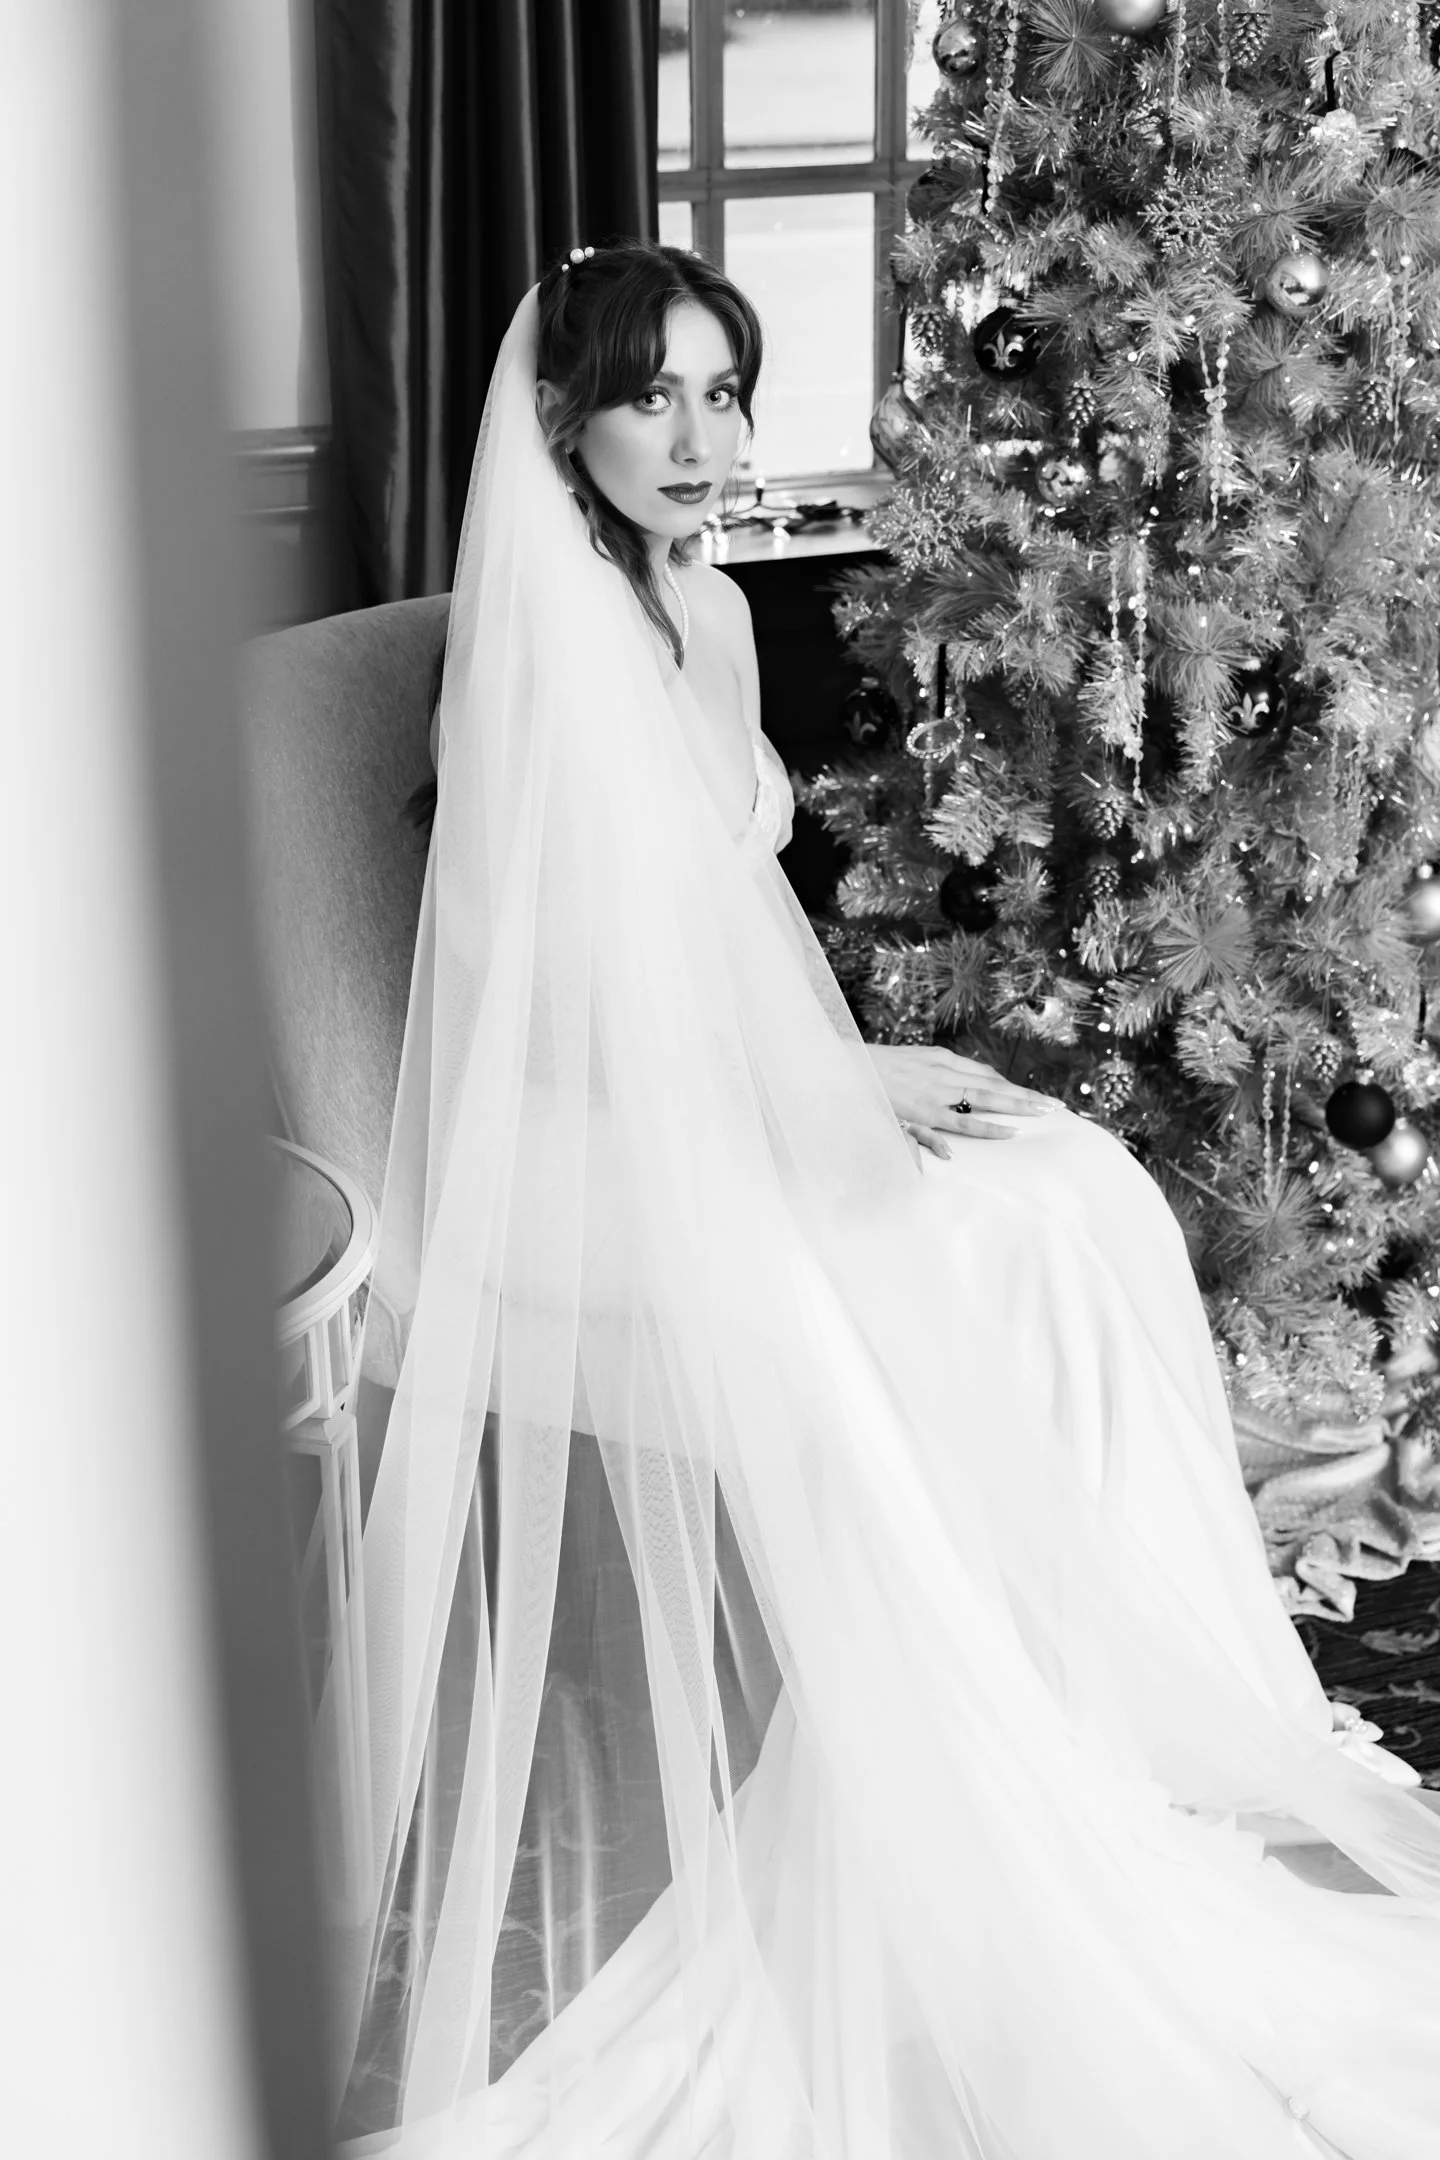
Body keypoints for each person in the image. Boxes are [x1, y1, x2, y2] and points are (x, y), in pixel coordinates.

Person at [321, 240, 1440, 2160]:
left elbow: (731, 931)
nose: (698, 437)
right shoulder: (531, 663)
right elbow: (573, 1017)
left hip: (731, 1092)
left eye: (722, 391)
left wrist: (848, 1075)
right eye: (650, 396)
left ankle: (1111, 1713)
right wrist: (828, 1102)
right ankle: (961, 1790)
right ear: (563, 421)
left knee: (1074, 1189)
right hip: (581, 1148)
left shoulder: (712, 610)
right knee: (910, 1254)